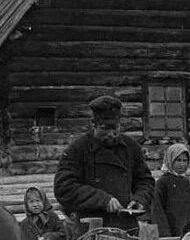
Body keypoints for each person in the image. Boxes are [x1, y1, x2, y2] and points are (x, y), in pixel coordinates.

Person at [54, 95, 155, 232]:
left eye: (115, 128)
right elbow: (64, 188)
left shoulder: (131, 147)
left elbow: (145, 181)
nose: (112, 133)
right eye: (106, 128)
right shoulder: (78, 149)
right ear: (94, 124)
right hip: (91, 230)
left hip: (127, 228)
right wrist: (102, 200)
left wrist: (139, 200)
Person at [151, 143, 190, 237]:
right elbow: (158, 210)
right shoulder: (163, 182)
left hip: (186, 232)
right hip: (170, 231)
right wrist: (165, 234)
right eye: (178, 160)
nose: (182, 164)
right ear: (170, 160)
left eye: (185, 160)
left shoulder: (187, 182)